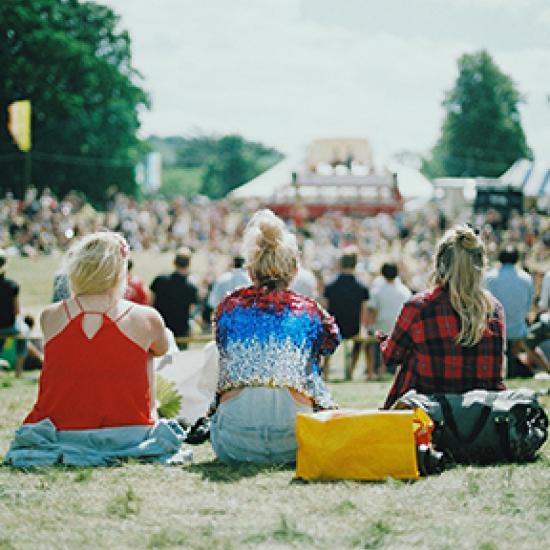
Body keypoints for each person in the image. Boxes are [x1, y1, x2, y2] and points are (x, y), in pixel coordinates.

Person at [5, 232, 186, 467]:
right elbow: (162, 350)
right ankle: (144, 413)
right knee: (152, 347)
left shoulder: (50, 316)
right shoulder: (146, 317)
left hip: (61, 431)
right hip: (130, 432)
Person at [211, 209, 340, 464]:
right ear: (294, 271)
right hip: (296, 442)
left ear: (250, 271)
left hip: (233, 442)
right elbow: (331, 342)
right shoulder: (310, 311)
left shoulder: (228, 306)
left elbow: (222, 346)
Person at [382, 225, 506, 409]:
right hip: (480, 419)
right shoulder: (493, 309)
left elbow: (390, 357)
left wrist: (385, 340)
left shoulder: (419, 307)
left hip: (429, 416)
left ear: (439, 263)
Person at [484, 245, 534, 378]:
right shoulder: (526, 278)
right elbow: (528, 305)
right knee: (515, 341)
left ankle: (503, 368)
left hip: (494, 328)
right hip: (518, 328)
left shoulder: (489, 277)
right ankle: (513, 364)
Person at [323, 247, 369, 380]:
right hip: (353, 328)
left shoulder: (330, 285)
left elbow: (326, 310)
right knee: (360, 341)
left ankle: (325, 370)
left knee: (328, 339)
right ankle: (351, 371)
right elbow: (364, 312)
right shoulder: (362, 287)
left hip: (335, 328)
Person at [367, 262, 411, 379]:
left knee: (370, 339)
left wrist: (369, 327)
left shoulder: (377, 290)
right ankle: (384, 370)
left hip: (381, 326)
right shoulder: (405, 291)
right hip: (399, 327)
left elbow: (373, 311)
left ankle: (373, 371)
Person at [150, 247, 199, 349]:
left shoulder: (160, 280)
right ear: (189, 264)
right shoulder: (191, 287)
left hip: (160, 329)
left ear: (174, 262)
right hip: (180, 333)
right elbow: (191, 310)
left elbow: (150, 302)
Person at [0, 249, 27, 377]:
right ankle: (19, 370)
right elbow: (16, 311)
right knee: (24, 331)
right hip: (9, 327)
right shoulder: (12, 285)